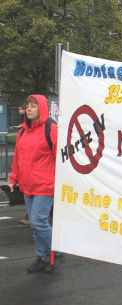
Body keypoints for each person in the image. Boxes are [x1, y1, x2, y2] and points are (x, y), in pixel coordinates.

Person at [9, 95, 58, 273]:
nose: (28, 109)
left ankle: (49, 255)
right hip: (27, 185)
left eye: (33, 107)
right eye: (27, 106)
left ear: (41, 109)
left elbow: (60, 157)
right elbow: (18, 158)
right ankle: (44, 255)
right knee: (36, 225)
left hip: (45, 184)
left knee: (37, 221)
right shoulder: (22, 131)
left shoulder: (51, 129)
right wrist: (13, 178)